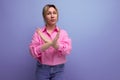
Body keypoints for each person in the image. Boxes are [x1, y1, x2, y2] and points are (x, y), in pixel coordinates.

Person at [29, 4, 72, 80]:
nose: (52, 16)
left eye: (54, 13)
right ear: (44, 16)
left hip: (59, 70)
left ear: (57, 15)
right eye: (49, 13)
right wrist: (49, 44)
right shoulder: (38, 33)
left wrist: (52, 43)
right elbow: (33, 52)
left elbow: (67, 51)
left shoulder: (63, 33)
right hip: (42, 69)